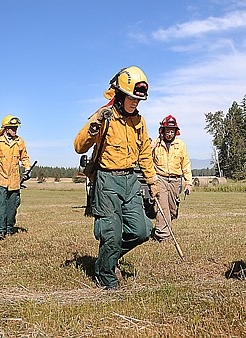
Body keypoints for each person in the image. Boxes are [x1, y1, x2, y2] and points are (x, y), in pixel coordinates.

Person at [74, 66, 160, 290]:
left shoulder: (139, 122)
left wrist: (152, 182)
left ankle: (106, 260)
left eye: (139, 100)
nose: (135, 103)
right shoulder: (104, 115)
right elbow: (78, 146)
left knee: (142, 230)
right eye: (132, 98)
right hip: (107, 180)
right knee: (110, 233)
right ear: (120, 94)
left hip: (131, 181)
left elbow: (144, 155)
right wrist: (94, 126)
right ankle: (107, 279)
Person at [0, 115, 31, 241]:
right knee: (1, 206)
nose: (15, 130)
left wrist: (27, 169)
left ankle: (9, 228)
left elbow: (24, 158)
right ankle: (0, 231)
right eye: (12, 128)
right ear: (5, 128)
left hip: (14, 181)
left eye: (16, 128)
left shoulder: (20, 142)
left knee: (12, 207)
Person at [151, 115, 193, 241]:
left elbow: (185, 164)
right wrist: (151, 147)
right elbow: (146, 158)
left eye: (172, 131)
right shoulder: (156, 144)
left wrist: (188, 183)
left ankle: (167, 225)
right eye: (167, 130)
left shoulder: (181, 145)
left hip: (175, 180)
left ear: (176, 131)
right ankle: (162, 235)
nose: (169, 133)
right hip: (160, 178)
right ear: (162, 131)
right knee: (162, 206)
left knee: (172, 209)